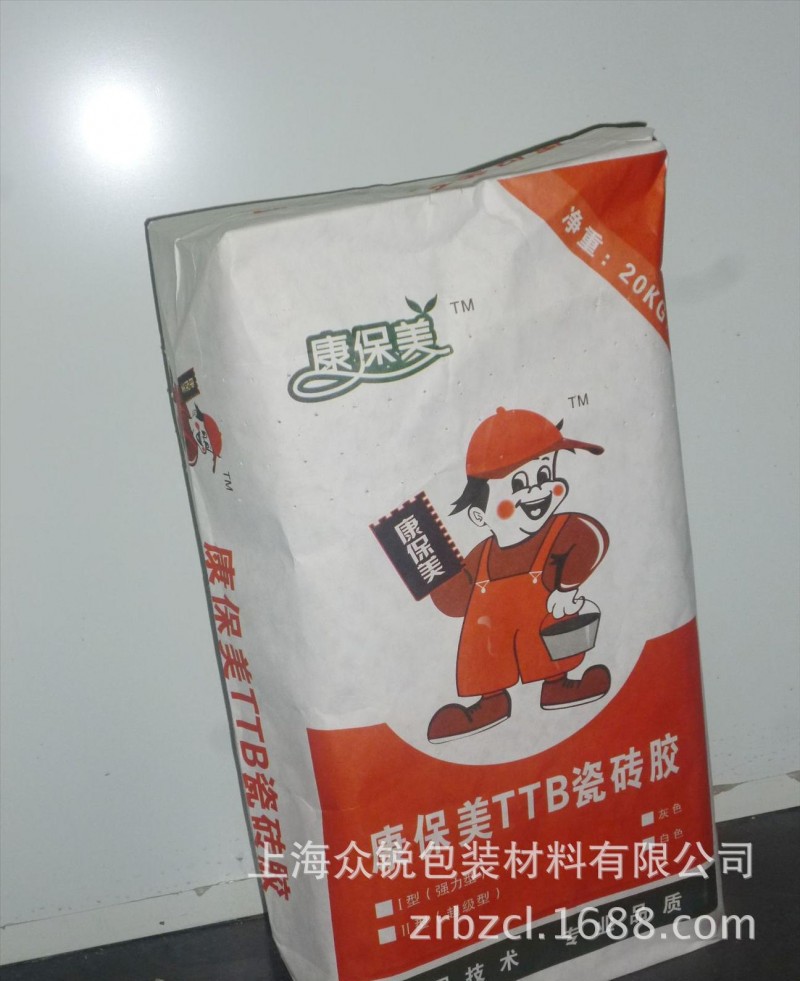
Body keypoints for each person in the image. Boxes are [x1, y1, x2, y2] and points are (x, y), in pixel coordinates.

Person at [427, 407, 611, 743]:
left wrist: (567, 588)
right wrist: (432, 567)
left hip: (541, 628)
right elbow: (454, 602)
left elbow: (592, 540)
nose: (539, 491)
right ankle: (491, 702)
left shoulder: (561, 529)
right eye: (519, 484)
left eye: (545, 475)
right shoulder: (481, 556)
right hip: (492, 639)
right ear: (479, 516)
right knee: (485, 655)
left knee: (550, 646)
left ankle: (557, 684)